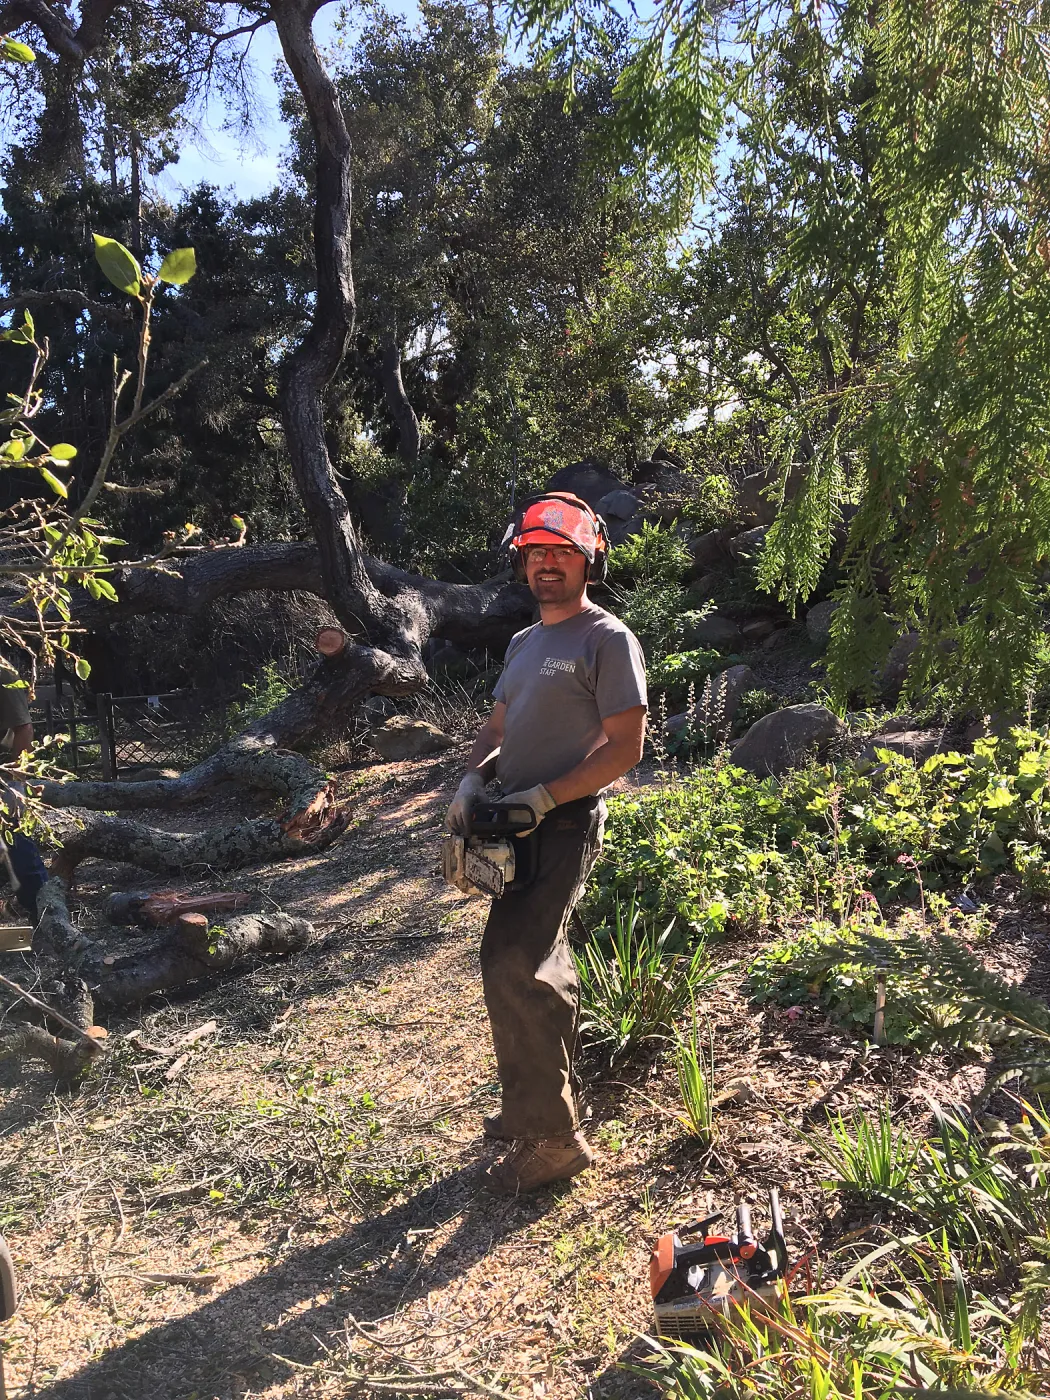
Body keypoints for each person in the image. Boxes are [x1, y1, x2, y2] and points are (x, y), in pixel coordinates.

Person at [446, 492, 647, 1195]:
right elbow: (498, 729)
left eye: (561, 552)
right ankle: (533, 1106)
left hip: (561, 823)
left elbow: (626, 747)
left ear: (589, 558)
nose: (547, 564)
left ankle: (554, 1140)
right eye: (535, 553)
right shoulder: (525, 643)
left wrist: (546, 797)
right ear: (521, 563)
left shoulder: (607, 639)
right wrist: (473, 782)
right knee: (530, 961)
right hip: (509, 823)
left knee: (514, 960)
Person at [0, 683, 47, 918]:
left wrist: (15, 781)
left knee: (19, 849)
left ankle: (47, 915)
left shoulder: (3, 672)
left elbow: (24, 728)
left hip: (3, 778)